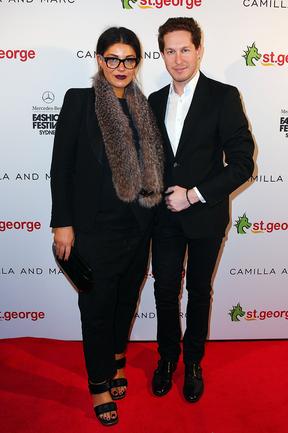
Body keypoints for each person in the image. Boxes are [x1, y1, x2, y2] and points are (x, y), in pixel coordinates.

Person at [50, 26, 163, 426]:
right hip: (93, 230)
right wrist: (61, 223)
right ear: (99, 60)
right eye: (112, 58)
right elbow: (61, 167)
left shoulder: (144, 107)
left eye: (129, 59)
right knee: (97, 308)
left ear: (137, 63)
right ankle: (99, 384)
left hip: (137, 227)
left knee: (126, 301)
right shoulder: (79, 102)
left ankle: (117, 358)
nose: (120, 66)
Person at [149, 17, 254, 403]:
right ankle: (166, 360)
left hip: (205, 216)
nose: (178, 59)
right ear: (161, 54)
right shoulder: (154, 101)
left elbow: (243, 164)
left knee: (197, 291)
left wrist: (193, 195)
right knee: (163, 292)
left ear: (199, 49)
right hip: (163, 218)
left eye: (185, 49)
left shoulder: (223, 96)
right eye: (170, 51)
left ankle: (193, 362)